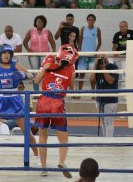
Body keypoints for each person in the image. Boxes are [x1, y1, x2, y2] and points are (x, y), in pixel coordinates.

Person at [34, 38, 78, 178]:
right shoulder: (71, 70)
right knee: (63, 137)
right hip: (57, 102)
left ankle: (43, 167)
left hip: (43, 101)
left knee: (42, 135)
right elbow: (72, 88)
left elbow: (35, 81)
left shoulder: (49, 63)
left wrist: (46, 69)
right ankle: (61, 161)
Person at [23, 15, 56, 91]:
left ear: (44, 23)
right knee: (35, 73)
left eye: (41, 21)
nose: (40, 23)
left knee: (45, 73)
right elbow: (25, 42)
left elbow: (52, 42)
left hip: (44, 55)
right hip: (33, 55)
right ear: (35, 22)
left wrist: (53, 53)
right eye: (38, 21)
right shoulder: (31, 31)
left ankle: (45, 90)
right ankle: (36, 92)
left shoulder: (47, 31)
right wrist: (29, 50)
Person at [89, 55, 119, 137]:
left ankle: (109, 141)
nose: (102, 61)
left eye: (104, 58)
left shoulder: (113, 67)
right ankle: (105, 139)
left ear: (107, 59)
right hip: (99, 98)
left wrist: (103, 69)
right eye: (100, 59)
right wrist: (95, 66)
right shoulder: (97, 68)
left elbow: (110, 81)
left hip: (111, 99)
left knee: (108, 121)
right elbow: (91, 80)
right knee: (103, 121)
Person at [77, 14, 101, 92]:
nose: (90, 21)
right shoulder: (83, 28)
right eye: (89, 20)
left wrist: (95, 51)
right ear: (87, 20)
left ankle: (93, 93)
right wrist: (80, 50)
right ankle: (79, 93)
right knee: (81, 74)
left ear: (94, 21)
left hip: (92, 56)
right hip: (83, 55)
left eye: (92, 20)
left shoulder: (97, 29)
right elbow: (80, 40)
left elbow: (100, 42)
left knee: (92, 75)